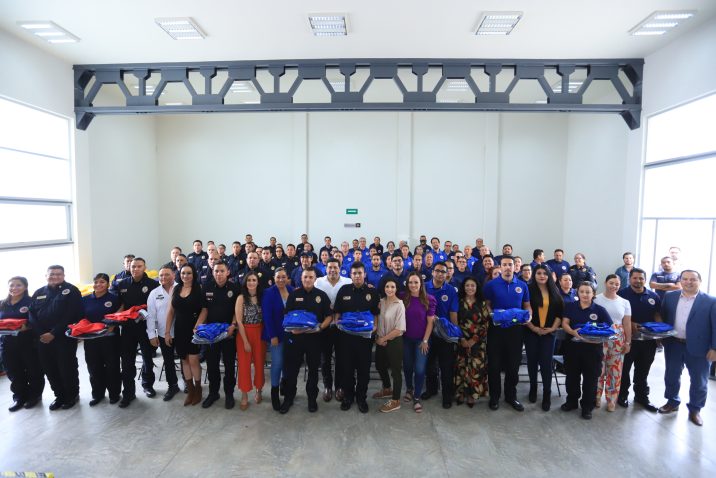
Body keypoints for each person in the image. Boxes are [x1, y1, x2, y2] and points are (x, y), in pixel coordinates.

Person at [658, 270, 716, 427]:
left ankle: (695, 410)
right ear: (680, 281)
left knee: (699, 380)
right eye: (685, 279)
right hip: (673, 344)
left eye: (693, 279)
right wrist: (660, 336)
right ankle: (672, 402)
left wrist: (714, 348)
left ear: (699, 281)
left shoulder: (711, 301)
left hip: (700, 347)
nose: (688, 282)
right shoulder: (670, 297)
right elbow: (663, 317)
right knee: (671, 375)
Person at [29, 265, 82, 411]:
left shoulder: (71, 290)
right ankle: (59, 396)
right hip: (42, 339)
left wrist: (53, 333)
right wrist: (41, 333)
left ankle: (72, 396)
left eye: (59, 274)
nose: (55, 276)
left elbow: (72, 314)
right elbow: (31, 314)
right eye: (52, 274)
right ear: (46, 276)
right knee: (50, 368)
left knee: (67, 368)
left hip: (63, 337)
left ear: (64, 276)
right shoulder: (39, 292)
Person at [280, 267, 332, 414]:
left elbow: (329, 316)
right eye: (305, 277)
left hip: (314, 339)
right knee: (292, 370)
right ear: (301, 278)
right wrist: (292, 329)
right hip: (295, 338)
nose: (308, 279)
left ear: (315, 279)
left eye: (310, 277)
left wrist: (320, 327)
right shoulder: (294, 294)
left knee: (313, 370)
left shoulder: (322, 295)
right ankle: (289, 398)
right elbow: (287, 315)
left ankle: (312, 399)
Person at [483, 255, 532, 412]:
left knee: (513, 365)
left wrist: (529, 316)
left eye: (510, 264)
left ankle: (511, 396)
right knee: (494, 365)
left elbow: (527, 305)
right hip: (496, 330)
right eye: (504, 264)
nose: (507, 267)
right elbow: (487, 305)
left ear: (514, 267)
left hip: (515, 331)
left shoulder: (522, 285)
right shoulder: (491, 285)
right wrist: (493, 315)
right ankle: (494, 397)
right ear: (501, 267)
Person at [561, 282, 613, 419]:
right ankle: (571, 401)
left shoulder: (600, 310)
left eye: (588, 292)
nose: (585, 294)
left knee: (591, 379)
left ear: (593, 294)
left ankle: (587, 407)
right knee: (572, 377)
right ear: (577, 293)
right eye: (582, 291)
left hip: (593, 350)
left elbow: (609, 328)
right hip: (572, 348)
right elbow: (564, 323)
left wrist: (597, 336)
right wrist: (573, 332)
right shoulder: (570, 306)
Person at [334, 262, 380, 413]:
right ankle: (348, 397)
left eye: (360, 273)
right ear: (350, 275)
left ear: (364, 274)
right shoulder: (344, 290)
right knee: (347, 369)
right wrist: (337, 322)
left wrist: (375, 327)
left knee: (363, 370)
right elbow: (337, 311)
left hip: (364, 338)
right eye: (354, 273)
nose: (357, 276)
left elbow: (376, 313)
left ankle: (361, 398)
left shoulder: (372, 292)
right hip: (346, 337)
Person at [113, 257, 158, 408]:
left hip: (146, 328)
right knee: (127, 361)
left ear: (145, 268)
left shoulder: (152, 284)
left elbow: (156, 306)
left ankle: (148, 385)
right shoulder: (122, 284)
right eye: (133, 266)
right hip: (127, 328)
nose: (135, 269)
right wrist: (116, 317)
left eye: (139, 266)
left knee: (147, 359)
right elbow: (120, 305)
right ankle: (128, 393)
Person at [194, 261, 239, 409]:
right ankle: (213, 393)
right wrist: (198, 325)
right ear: (212, 272)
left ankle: (229, 394)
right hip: (211, 334)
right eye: (216, 271)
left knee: (229, 365)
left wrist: (233, 325)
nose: (218, 274)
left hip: (228, 333)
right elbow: (204, 310)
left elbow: (237, 310)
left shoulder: (234, 288)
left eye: (221, 271)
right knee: (212, 364)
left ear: (228, 272)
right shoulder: (206, 287)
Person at [617, 268, 661, 412]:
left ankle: (642, 397)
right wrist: (630, 323)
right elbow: (617, 316)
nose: (638, 281)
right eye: (635, 278)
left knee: (643, 370)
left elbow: (657, 315)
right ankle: (622, 395)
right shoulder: (621, 294)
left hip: (648, 341)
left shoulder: (653, 296)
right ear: (630, 279)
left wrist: (660, 332)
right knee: (624, 370)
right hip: (628, 340)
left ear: (645, 280)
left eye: (641, 278)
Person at [1, 276, 44, 411]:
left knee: (33, 369)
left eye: (18, 285)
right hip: (7, 343)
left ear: (25, 287)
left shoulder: (31, 302)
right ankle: (19, 397)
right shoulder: (2, 303)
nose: (14, 288)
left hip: (28, 342)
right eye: (11, 285)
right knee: (13, 370)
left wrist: (28, 326)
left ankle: (34, 395)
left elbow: (39, 320)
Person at [524, 265, 564, 411]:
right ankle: (533, 388)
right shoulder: (528, 290)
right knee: (532, 362)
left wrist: (553, 328)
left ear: (549, 276)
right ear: (534, 275)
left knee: (546, 364)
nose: (542, 276)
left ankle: (547, 393)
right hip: (531, 332)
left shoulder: (554, 291)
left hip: (549, 333)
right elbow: (523, 311)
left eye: (544, 273)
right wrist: (533, 328)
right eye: (539, 273)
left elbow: (560, 313)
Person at [165, 264, 203, 406]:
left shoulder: (199, 289)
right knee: (184, 360)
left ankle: (198, 389)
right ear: (179, 274)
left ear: (193, 275)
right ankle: (190, 390)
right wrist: (167, 332)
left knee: (193, 360)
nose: (185, 276)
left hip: (194, 329)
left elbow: (204, 310)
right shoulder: (175, 289)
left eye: (188, 273)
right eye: (183, 273)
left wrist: (197, 325)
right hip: (179, 329)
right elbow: (170, 312)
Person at [422, 262, 459, 408]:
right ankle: (431, 389)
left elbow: (453, 313)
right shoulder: (423, 287)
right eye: (437, 271)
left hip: (444, 334)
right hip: (427, 333)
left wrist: (455, 334)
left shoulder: (451, 290)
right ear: (432, 272)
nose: (440, 274)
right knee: (429, 365)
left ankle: (447, 395)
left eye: (443, 271)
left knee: (446, 367)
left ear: (447, 273)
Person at [81, 273, 122, 406]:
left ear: (108, 284)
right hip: (91, 339)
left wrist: (112, 325)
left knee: (112, 367)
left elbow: (120, 315)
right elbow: (81, 318)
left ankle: (114, 394)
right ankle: (97, 394)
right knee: (94, 367)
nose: (98, 284)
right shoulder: (85, 299)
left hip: (110, 340)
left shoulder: (114, 298)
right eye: (96, 282)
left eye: (102, 282)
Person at [315, 259, 351, 403]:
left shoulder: (347, 282)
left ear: (340, 268)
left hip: (342, 327)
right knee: (325, 359)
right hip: (325, 326)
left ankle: (340, 386)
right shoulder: (318, 282)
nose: (332, 270)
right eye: (330, 267)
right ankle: (327, 386)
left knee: (341, 358)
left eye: (335, 267)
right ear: (326, 268)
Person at [594, 274, 632, 411]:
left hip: (618, 338)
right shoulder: (596, 299)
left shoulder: (625, 302)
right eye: (611, 283)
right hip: (600, 336)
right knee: (598, 368)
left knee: (615, 371)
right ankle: (596, 397)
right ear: (605, 283)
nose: (614, 286)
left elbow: (627, 323)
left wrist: (628, 342)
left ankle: (611, 400)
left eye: (617, 284)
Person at [402, 272, 436, 413]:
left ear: (421, 284)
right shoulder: (402, 297)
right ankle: (409, 389)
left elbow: (430, 322)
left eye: (416, 282)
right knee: (407, 366)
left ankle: (417, 396)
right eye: (410, 282)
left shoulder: (429, 299)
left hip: (422, 341)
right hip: (406, 339)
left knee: (420, 369)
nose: (413, 285)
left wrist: (425, 340)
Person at [454, 277, 490, 407]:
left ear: (477, 287)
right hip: (461, 340)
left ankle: (471, 395)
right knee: (461, 367)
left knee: (475, 369)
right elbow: (455, 322)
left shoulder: (482, 303)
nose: (470, 288)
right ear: (463, 287)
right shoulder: (458, 302)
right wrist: (463, 339)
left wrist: (473, 340)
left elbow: (486, 323)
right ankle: (461, 393)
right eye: (467, 285)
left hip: (478, 342)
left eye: (472, 285)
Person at [146, 266, 180, 401]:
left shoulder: (180, 288)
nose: (163, 277)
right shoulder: (154, 293)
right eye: (161, 275)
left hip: (182, 331)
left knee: (186, 360)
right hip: (163, 333)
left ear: (174, 275)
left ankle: (189, 384)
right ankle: (173, 385)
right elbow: (150, 316)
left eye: (167, 274)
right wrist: (152, 335)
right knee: (168, 361)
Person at [262, 267, 294, 410]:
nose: (281, 280)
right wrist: (272, 336)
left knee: (288, 363)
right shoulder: (268, 293)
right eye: (278, 277)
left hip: (291, 333)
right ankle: (274, 392)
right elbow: (267, 317)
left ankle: (284, 387)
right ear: (273, 278)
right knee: (277, 363)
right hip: (276, 334)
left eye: (283, 277)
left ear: (287, 278)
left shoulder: (292, 290)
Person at [373, 277, 406, 413]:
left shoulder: (399, 304)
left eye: (392, 287)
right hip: (381, 339)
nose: (390, 289)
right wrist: (378, 337)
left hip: (394, 341)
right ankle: (387, 389)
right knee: (379, 365)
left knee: (396, 371)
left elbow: (400, 329)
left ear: (396, 289)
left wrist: (384, 338)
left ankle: (396, 400)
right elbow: (376, 318)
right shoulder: (380, 302)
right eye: (387, 286)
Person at [234, 271, 265, 410]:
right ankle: (244, 394)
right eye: (249, 280)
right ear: (245, 283)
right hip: (244, 333)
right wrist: (245, 341)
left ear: (258, 282)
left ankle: (259, 389)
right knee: (244, 365)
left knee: (259, 362)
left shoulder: (262, 297)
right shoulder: (241, 298)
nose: (251, 282)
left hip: (260, 332)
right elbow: (239, 321)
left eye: (254, 280)